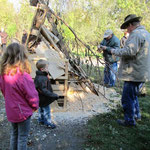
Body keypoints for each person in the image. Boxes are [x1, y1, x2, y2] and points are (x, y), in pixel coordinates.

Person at [109, 14, 150, 126]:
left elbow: (129, 51)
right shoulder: (146, 33)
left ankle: (129, 121)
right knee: (133, 96)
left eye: (127, 27)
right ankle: (136, 115)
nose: (127, 30)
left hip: (134, 73)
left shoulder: (136, 34)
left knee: (127, 98)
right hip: (141, 72)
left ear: (131, 25)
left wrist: (114, 51)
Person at [0, 43, 39, 149]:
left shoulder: (3, 74)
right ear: (22, 56)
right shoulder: (23, 76)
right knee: (22, 137)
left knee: (14, 134)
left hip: (11, 111)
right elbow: (32, 95)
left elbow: (4, 92)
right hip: (23, 113)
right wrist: (35, 106)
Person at [34, 59, 59, 129]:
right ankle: (48, 123)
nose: (48, 69)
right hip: (44, 98)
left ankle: (41, 120)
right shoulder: (42, 78)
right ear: (42, 69)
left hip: (40, 97)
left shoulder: (39, 76)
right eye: (47, 68)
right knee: (47, 110)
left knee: (41, 108)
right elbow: (44, 90)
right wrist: (54, 95)